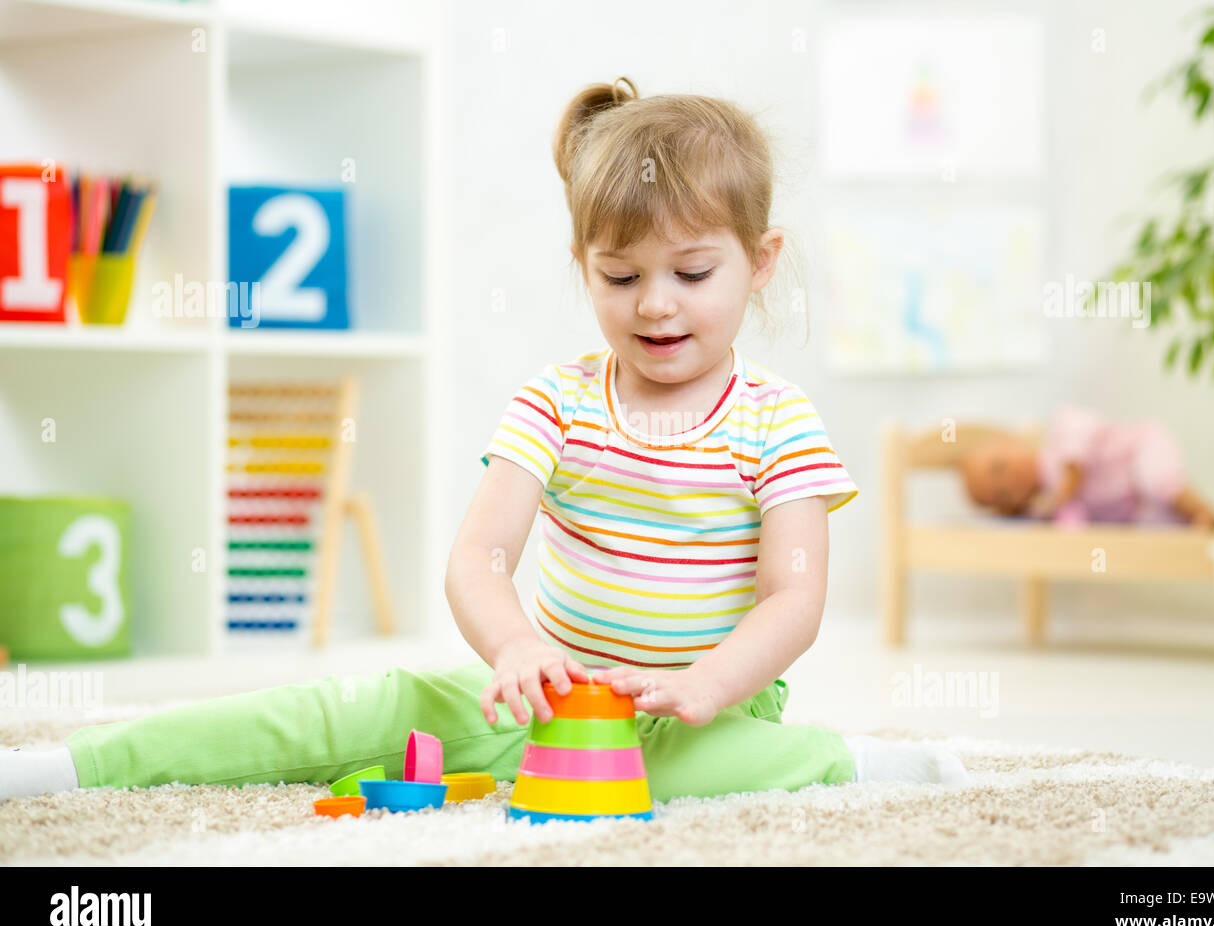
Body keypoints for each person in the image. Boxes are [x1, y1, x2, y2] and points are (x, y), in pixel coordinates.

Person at [1, 77, 968, 806]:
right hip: (541, 699)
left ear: (759, 265)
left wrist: (702, 685)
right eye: (620, 276)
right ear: (583, 266)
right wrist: (515, 650)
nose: (656, 303)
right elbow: (480, 556)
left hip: (693, 718)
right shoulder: (555, 402)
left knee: (686, 772)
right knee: (357, 709)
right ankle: (74, 765)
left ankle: (861, 764)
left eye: (692, 270)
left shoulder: (778, 420)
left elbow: (795, 599)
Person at [960, 404, 1214, 527]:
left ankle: (1206, 512)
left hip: (1140, 450)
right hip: (1136, 503)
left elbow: (1082, 429)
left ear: (1012, 445)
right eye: (1002, 494)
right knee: (1165, 522)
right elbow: (1074, 525)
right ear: (1010, 507)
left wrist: (1070, 479)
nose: (1009, 480)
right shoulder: (1052, 505)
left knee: (1161, 482)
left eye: (999, 467)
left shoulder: (1058, 434)